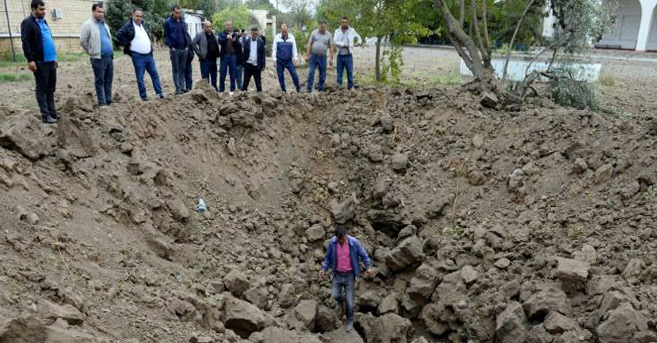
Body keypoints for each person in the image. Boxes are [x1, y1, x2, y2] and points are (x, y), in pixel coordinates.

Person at [319, 225, 375, 332]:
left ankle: (349, 320)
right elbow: (327, 258)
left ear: (346, 236)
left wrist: (368, 267)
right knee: (335, 295)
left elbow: (364, 255)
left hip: (350, 276)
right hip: (337, 274)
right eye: (339, 240)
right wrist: (323, 269)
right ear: (336, 238)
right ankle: (341, 300)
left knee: (350, 302)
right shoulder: (332, 243)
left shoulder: (354, 243)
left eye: (343, 239)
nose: (341, 242)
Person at [21, 0, 58, 124]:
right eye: (41, 9)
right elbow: (25, 42)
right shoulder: (27, 23)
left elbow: (49, 40)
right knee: (42, 89)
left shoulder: (44, 22)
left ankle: (53, 113)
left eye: (44, 9)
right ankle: (45, 115)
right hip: (39, 61)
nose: (44, 12)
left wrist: (55, 58)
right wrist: (30, 60)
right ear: (34, 9)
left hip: (50, 61)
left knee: (51, 89)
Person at [117, 7, 165, 101]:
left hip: (148, 55)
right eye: (137, 16)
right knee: (140, 77)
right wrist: (127, 44)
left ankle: (159, 93)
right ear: (132, 16)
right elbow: (119, 34)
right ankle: (144, 97)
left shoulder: (143, 25)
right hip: (137, 56)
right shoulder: (129, 26)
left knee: (155, 74)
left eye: (140, 16)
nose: (139, 18)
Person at [80, 2, 114, 107]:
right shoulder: (88, 24)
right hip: (98, 57)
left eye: (102, 12)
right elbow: (83, 41)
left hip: (109, 57)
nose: (101, 14)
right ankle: (101, 102)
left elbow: (108, 39)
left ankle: (108, 100)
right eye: (98, 12)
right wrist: (91, 52)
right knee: (100, 80)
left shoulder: (105, 25)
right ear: (93, 11)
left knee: (109, 79)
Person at [164, 4, 189, 94]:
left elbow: (185, 33)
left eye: (179, 13)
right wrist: (171, 47)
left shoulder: (182, 21)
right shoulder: (168, 22)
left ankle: (182, 87)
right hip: (175, 50)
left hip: (184, 49)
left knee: (182, 69)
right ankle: (178, 88)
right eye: (176, 13)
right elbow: (166, 36)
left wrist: (187, 46)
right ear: (173, 12)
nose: (178, 14)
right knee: (176, 69)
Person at [333, 16, 362, 90]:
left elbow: (359, 37)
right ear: (341, 22)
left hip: (348, 55)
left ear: (347, 22)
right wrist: (343, 44)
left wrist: (358, 42)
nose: (344, 23)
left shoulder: (351, 30)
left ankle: (350, 87)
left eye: (345, 22)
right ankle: (339, 88)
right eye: (343, 22)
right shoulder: (337, 31)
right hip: (340, 56)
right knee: (339, 73)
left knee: (350, 72)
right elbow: (335, 41)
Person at [306, 19, 334, 93]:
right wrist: (307, 55)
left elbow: (331, 47)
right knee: (311, 72)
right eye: (321, 27)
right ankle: (309, 89)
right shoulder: (314, 33)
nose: (322, 29)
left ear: (326, 26)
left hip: (323, 57)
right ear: (318, 26)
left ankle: (321, 90)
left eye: (323, 27)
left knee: (322, 74)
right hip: (313, 56)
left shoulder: (329, 35)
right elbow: (309, 44)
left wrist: (331, 59)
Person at [272, 23, 300, 93]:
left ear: (287, 30)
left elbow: (294, 48)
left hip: (289, 61)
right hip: (279, 61)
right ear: (281, 31)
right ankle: (283, 90)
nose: (284, 33)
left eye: (285, 31)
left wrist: (295, 58)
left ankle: (298, 88)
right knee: (280, 76)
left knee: (294, 74)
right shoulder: (277, 37)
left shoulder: (292, 37)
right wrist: (274, 60)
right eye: (283, 31)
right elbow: (274, 49)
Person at [192, 20, 219, 91]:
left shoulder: (213, 33)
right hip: (205, 60)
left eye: (210, 27)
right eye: (207, 27)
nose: (209, 28)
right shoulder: (200, 35)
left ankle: (214, 90)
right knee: (205, 78)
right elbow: (193, 43)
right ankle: (207, 91)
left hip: (213, 59)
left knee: (214, 77)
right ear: (204, 27)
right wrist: (199, 53)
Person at [217, 21, 242, 93]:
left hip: (233, 56)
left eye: (230, 25)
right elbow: (220, 41)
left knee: (233, 74)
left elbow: (238, 45)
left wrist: (234, 40)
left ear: (232, 26)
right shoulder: (222, 34)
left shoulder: (235, 34)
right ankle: (221, 90)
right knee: (222, 74)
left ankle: (232, 90)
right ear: (225, 26)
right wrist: (226, 38)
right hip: (224, 56)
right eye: (227, 25)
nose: (229, 26)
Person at [241, 27, 266, 92]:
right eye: (253, 34)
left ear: (258, 34)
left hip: (256, 66)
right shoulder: (247, 41)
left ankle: (260, 97)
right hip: (248, 65)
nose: (255, 35)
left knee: (258, 84)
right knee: (245, 83)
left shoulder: (261, 42)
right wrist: (243, 63)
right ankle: (243, 96)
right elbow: (244, 53)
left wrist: (263, 65)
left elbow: (263, 54)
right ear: (251, 33)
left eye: (256, 34)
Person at [184, 24, 194, 92]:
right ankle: (183, 88)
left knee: (189, 75)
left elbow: (191, 46)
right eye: (186, 26)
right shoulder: (180, 36)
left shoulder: (188, 35)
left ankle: (189, 88)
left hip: (188, 59)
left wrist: (191, 55)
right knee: (182, 74)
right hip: (182, 59)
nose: (187, 28)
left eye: (187, 26)